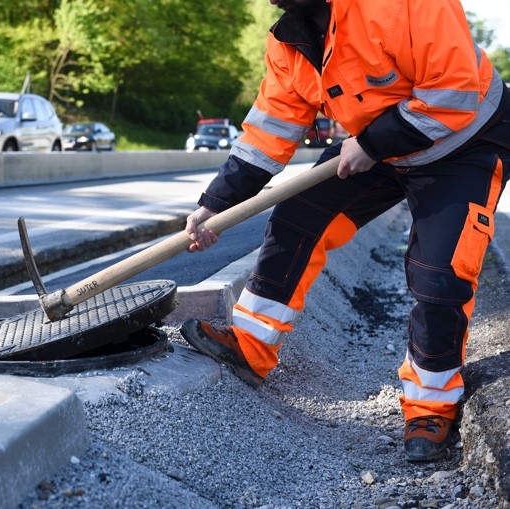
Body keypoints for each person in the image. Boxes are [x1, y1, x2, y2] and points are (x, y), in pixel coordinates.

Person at [181, 0, 510, 463]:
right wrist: (215, 203)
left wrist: (372, 144)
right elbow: (272, 125)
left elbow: (453, 92)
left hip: (466, 143)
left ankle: (431, 405)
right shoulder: (289, 38)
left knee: (440, 272)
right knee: (298, 215)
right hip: (382, 146)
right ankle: (251, 346)